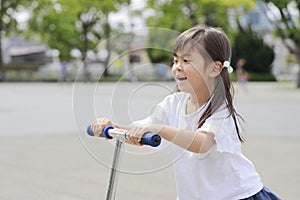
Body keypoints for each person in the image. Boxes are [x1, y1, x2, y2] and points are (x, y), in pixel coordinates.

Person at [90, 25, 281, 200]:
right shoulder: (173, 103)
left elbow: (202, 143)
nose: (177, 67)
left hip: (237, 195)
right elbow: (142, 127)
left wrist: (160, 128)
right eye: (175, 60)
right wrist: (114, 127)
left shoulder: (221, 110)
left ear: (214, 68)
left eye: (186, 60)